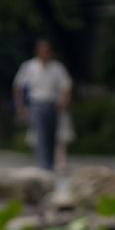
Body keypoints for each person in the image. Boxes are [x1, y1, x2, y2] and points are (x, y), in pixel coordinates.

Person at [13, 39, 72, 171]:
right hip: (36, 104)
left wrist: (64, 102)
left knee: (52, 135)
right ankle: (43, 165)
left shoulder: (57, 68)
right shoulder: (29, 66)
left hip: (53, 104)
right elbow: (19, 87)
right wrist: (20, 106)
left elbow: (66, 86)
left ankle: (50, 164)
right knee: (40, 134)